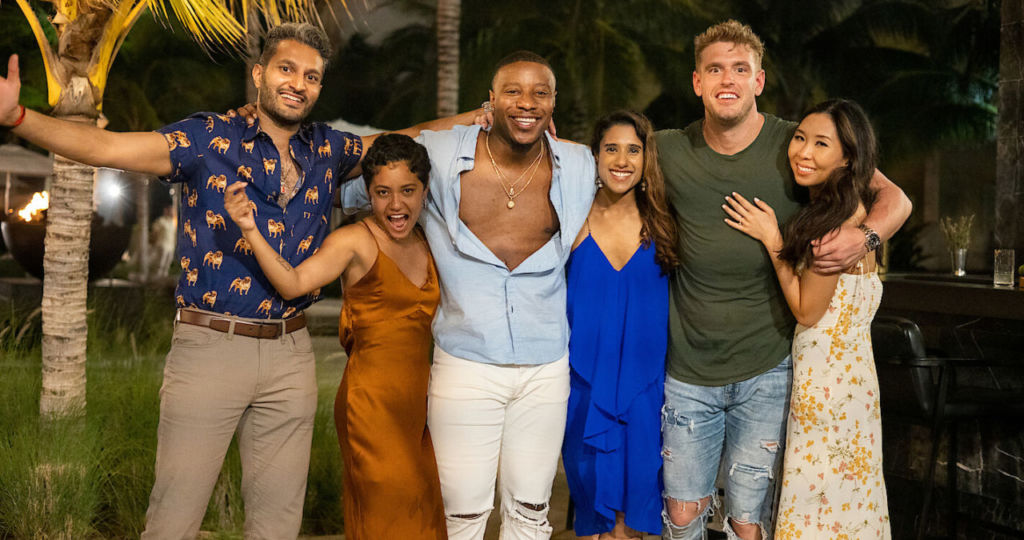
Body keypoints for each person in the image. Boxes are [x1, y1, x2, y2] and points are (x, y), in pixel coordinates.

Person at [0, 23, 476, 539]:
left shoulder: (328, 150)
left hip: (291, 353)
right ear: (259, 73)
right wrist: (17, 117)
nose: (298, 83)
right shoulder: (207, 139)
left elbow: (407, 141)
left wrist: (479, 117)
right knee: (174, 520)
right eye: (286, 69)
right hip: (211, 345)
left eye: (311, 76)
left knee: (277, 526)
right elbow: (106, 147)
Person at [654, 20, 911, 540]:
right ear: (698, 82)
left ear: (759, 80)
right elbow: (595, 156)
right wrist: (493, 121)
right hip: (689, 365)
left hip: (771, 368)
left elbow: (894, 197)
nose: (728, 79)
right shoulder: (667, 149)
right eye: (715, 69)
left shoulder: (799, 144)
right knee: (682, 514)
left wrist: (863, 238)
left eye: (740, 69)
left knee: (750, 519)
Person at [336, 51, 595, 539]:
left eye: (540, 93)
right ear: (490, 100)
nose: (527, 103)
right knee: (461, 515)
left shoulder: (579, 164)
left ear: (553, 102)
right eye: (513, 92)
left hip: (546, 366)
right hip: (464, 361)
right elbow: (355, 184)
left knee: (531, 512)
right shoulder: (437, 154)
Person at [223, 133, 446, 539]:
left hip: (418, 408)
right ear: (369, 194)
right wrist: (249, 229)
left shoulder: (427, 240)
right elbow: (293, 284)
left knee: (424, 520)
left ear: (425, 190)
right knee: (385, 522)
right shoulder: (354, 241)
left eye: (407, 191)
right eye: (383, 193)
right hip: (371, 406)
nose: (396, 205)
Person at [723, 99, 891, 539]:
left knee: (815, 511)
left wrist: (773, 240)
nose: (803, 152)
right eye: (800, 138)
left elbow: (807, 310)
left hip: (824, 393)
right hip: (857, 389)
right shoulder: (859, 212)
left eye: (821, 144)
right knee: (851, 508)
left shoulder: (833, 227)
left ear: (847, 157)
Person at [561, 110, 678, 540]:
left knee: (635, 515)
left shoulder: (665, 222)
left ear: (647, 159)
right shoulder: (572, 218)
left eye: (633, 150)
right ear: (594, 155)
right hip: (584, 387)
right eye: (611, 148)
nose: (622, 160)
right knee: (592, 511)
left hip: (647, 390)